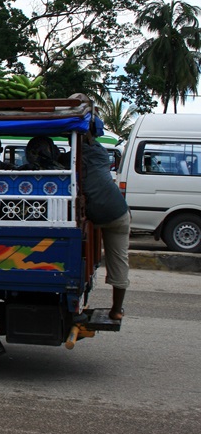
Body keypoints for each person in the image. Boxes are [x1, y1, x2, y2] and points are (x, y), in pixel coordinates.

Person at [82, 116, 130, 321]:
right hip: (120, 212)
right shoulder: (101, 154)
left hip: (98, 215)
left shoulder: (77, 157)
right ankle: (117, 310)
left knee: (79, 249)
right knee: (119, 260)